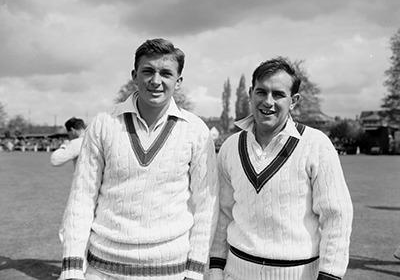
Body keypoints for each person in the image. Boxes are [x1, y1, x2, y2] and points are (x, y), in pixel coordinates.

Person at [59, 38, 218, 280]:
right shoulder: (104, 124)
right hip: (103, 269)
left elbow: (206, 206)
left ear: (178, 82)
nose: (156, 81)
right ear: (135, 75)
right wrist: (71, 269)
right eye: (148, 71)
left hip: (170, 271)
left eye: (166, 73)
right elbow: (82, 197)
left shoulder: (196, 130)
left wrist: (194, 272)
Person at [208, 57, 353, 280]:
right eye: (261, 92)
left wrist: (330, 274)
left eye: (278, 94)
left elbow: (337, 216)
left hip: (298, 274)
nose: (268, 101)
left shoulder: (316, 144)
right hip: (236, 271)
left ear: (293, 100)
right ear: (250, 93)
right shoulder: (230, 146)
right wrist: (216, 266)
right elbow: (223, 213)